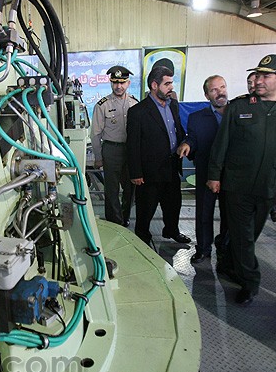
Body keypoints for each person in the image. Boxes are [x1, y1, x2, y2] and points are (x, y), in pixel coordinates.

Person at [207, 54, 276, 305]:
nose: (258, 80)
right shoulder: (240, 107)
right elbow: (221, 144)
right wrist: (214, 176)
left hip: (268, 187)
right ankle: (250, 282)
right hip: (237, 185)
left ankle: (229, 261)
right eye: (257, 75)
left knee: (250, 236)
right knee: (243, 236)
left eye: (265, 76)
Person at [127, 65, 191, 246]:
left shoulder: (174, 106)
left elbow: (177, 131)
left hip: (171, 166)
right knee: (146, 208)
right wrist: (136, 173)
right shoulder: (138, 112)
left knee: (173, 204)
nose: (171, 87)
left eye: (172, 83)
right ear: (154, 85)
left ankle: (172, 230)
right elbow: (133, 145)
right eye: (167, 83)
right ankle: (142, 236)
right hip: (149, 172)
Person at [177, 75, 229, 264]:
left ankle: (225, 248)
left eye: (222, 87)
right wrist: (187, 144)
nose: (220, 92)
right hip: (207, 172)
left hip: (233, 175)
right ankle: (203, 249)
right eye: (214, 90)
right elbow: (193, 138)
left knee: (230, 215)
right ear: (207, 95)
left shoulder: (238, 113)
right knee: (204, 213)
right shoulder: (196, 118)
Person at [90, 65, 138, 227]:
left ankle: (125, 217)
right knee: (111, 189)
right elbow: (95, 134)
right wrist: (98, 157)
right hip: (111, 150)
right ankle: (114, 221)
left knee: (130, 188)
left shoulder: (135, 103)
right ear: (110, 83)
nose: (118, 86)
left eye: (122, 82)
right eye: (115, 82)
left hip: (131, 150)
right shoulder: (102, 105)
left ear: (128, 83)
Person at [249, 71, 276, 223]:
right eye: (254, 80)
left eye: (265, 77)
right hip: (241, 180)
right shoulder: (239, 108)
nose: (257, 83)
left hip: (268, 178)